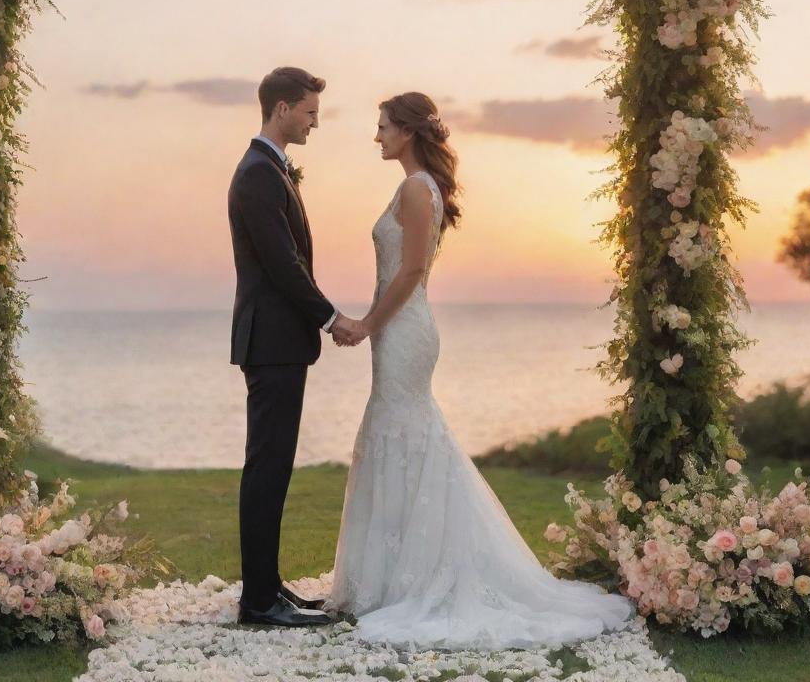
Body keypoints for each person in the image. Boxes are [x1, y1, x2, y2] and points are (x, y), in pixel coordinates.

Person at [324, 91, 634, 649]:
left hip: (402, 329)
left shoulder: (417, 189)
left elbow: (414, 268)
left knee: (407, 431)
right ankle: (392, 576)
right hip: (398, 330)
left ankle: (421, 577)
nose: (378, 136)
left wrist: (368, 323)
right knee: (398, 431)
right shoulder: (415, 187)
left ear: (410, 131)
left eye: (384, 127)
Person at [227, 66, 365, 628]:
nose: (315, 122)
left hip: (279, 342)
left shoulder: (270, 169)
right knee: (267, 465)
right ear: (282, 109)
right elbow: (284, 266)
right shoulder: (259, 173)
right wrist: (332, 318)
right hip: (272, 341)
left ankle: (268, 588)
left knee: (274, 464)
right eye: (309, 112)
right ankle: (258, 602)